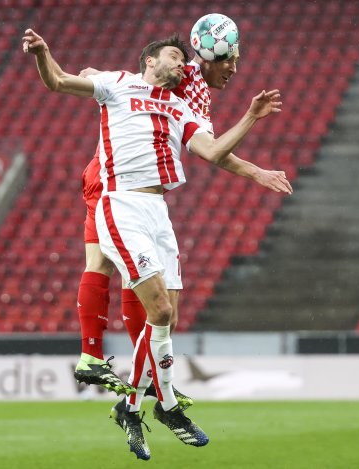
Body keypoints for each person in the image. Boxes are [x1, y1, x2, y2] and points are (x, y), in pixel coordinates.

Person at [23, 28, 282, 460]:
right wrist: (43, 53)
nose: (181, 63)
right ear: (149, 61)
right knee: (156, 308)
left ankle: (132, 405)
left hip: (158, 211)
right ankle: (165, 405)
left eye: (184, 58)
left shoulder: (178, 105)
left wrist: (252, 117)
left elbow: (214, 151)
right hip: (121, 203)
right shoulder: (118, 82)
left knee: (168, 317)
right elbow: (59, 81)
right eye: (173, 56)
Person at [73, 17, 292, 397]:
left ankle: (150, 380)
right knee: (105, 265)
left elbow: (211, 149)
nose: (235, 70)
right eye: (230, 61)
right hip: (114, 178)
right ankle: (92, 356)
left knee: (143, 284)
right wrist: (256, 172)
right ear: (209, 57)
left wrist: (256, 171)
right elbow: (134, 79)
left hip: (139, 190)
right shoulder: (181, 74)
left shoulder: (197, 94)